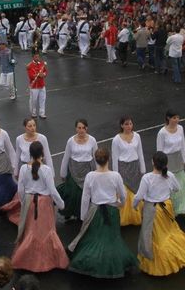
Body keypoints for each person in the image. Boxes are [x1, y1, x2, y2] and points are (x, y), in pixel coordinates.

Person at [68, 147, 136, 278]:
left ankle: (91, 263)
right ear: (108, 159)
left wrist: (83, 216)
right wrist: (119, 205)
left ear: (96, 160)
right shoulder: (115, 176)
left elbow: (85, 197)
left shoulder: (90, 176)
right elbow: (123, 195)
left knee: (94, 239)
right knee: (112, 239)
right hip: (112, 211)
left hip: (95, 211)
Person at [133, 151, 185, 276]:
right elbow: (177, 188)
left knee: (155, 236)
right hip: (167, 207)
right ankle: (177, 255)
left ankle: (161, 264)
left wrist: (134, 206)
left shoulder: (147, 178)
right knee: (170, 231)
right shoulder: (169, 175)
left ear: (153, 162)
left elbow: (139, 196)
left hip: (153, 210)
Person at [11, 141, 68, 273]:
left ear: (30, 154)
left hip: (30, 202)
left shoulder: (24, 169)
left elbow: (20, 189)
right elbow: (52, 190)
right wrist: (61, 204)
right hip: (44, 204)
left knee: (31, 231)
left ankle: (27, 259)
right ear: (42, 154)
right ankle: (50, 260)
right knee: (47, 232)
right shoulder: (46, 170)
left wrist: (24, 201)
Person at [156, 110, 185, 216]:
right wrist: (161, 165)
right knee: (169, 182)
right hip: (167, 160)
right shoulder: (162, 132)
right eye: (174, 118)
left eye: (178, 117)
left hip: (178, 158)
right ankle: (171, 208)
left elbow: (183, 145)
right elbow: (159, 150)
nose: (177, 120)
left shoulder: (180, 128)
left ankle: (181, 207)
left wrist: (184, 160)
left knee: (181, 182)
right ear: (168, 118)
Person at [57, 119, 97, 220]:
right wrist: (63, 173)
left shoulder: (92, 140)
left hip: (87, 170)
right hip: (73, 170)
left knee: (84, 194)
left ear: (86, 128)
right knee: (72, 193)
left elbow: (96, 157)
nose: (81, 130)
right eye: (79, 128)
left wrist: (99, 173)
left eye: (83, 128)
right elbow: (66, 157)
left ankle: (82, 214)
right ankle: (69, 211)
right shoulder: (71, 141)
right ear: (76, 128)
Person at [112, 116, 146, 225]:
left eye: (130, 124)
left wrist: (142, 168)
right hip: (123, 168)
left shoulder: (137, 136)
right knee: (125, 191)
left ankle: (136, 214)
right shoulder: (116, 139)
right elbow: (115, 157)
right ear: (122, 125)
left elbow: (140, 153)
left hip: (135, 166)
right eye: (126, 124)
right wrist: (116, 175)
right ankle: (125, 217)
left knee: (136, 190)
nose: (129, 126)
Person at [26, 49, 47, 119]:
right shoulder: (29, 65)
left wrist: (43, 75)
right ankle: (33, 113)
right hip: (34, 86)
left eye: (38, 57)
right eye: (36, 57)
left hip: (42, 85)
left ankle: (42, 113)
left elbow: (45, 72)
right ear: (33, 57)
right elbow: (31, 76)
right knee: (33, 101)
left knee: (42, 100)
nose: (37, 58)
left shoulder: (42, 63)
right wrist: (38, 75)